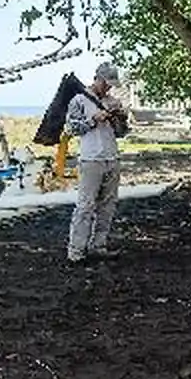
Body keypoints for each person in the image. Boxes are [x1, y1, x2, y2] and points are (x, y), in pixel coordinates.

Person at [65, 62, 127, 264]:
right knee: (85, 206)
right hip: (90, 159)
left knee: (107, 207)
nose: (108, 88)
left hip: (112, 158)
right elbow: (71, 128)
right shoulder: (79, 100)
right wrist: (94, 120)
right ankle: (76, 251)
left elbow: (121, 133)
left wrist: (120, 119)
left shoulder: (113, 101)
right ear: (97, 79)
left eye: (111, 84)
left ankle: (98, 246)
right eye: (106, 83)